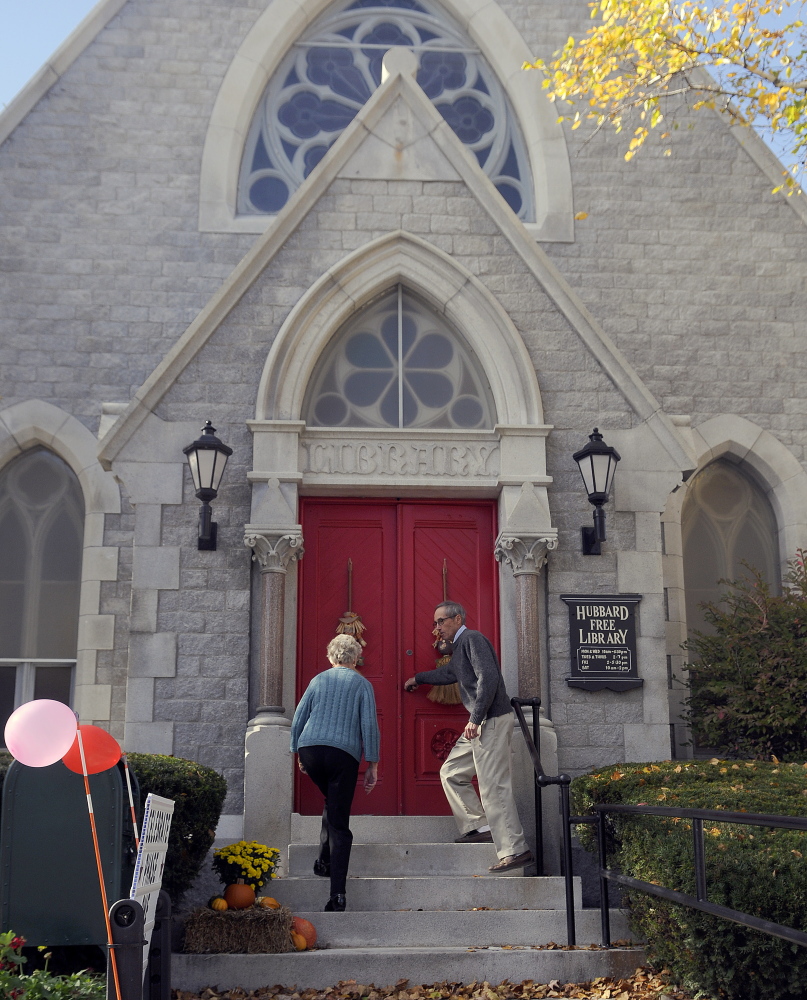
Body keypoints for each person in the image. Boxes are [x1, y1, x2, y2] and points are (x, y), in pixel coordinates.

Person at [404, 601, 533, 873]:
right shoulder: (459, 648)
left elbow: (489, 677)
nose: (437, 628)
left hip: (491, 720)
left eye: (441, 622)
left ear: (457, 618)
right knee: (451, 772)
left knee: (493, 786)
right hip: (482, 722)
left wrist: (476, 718)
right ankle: (479, 825)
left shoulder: (472, 639)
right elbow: (449, 674)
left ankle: (515, 849)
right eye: (435, 623)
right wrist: (419, 677)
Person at [291, 633, 380, 911]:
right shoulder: (362, 684)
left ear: (331, 657)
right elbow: (369, 726)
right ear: (356, 659)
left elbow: (298, 717)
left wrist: (298, 751)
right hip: (343, 754)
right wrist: (372, 764)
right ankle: (337, 895)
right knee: (340, 823)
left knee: (332, 801)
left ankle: (323, 861)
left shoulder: (318, 680)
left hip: (311, 748)